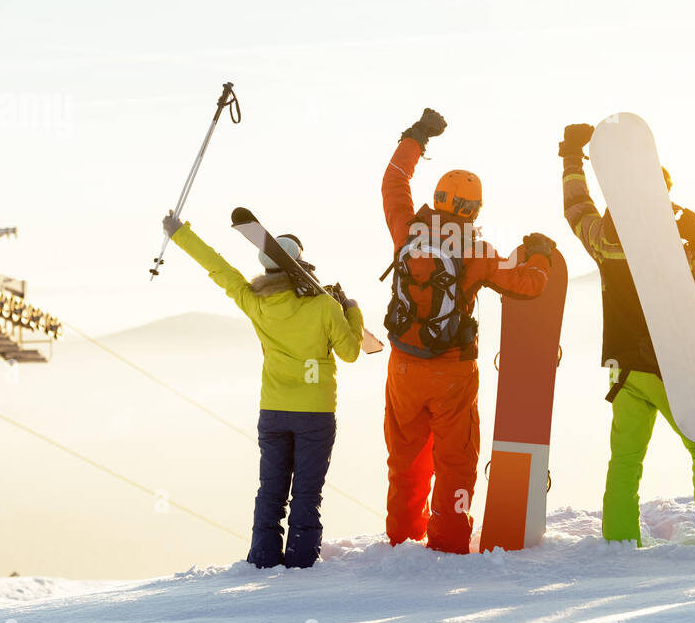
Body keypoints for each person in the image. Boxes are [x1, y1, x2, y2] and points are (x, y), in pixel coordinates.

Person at [381, 108, 555, 553]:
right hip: (452, 372)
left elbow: (394, 181)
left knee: (405, 460)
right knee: (455, 461)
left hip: (402, 364)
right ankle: (449, 539)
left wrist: (416, 137)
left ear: (438, 197)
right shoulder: (476, 249)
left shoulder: (407, 229)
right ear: (475, 209)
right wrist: (540, 255)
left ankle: (402, 537)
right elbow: (528, 287)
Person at [559, 122, 695, 546]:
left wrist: (570, 156)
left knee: (625, 459)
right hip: (677, 364)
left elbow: (576, 207)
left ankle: (620, 540)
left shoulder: (605, 235)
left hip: (624, 369)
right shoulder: (686, 226)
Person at [161, 211, 364, 568]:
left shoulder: (255, 303)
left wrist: (179, 233)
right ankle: (301, 560)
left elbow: (218, 268)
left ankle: (263, 558)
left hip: (273, 410)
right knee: (306, 491)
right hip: (315, 413)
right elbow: (350, 353)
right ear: (300, 265)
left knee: (271, 490)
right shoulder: (323, 306)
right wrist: (352, 312)